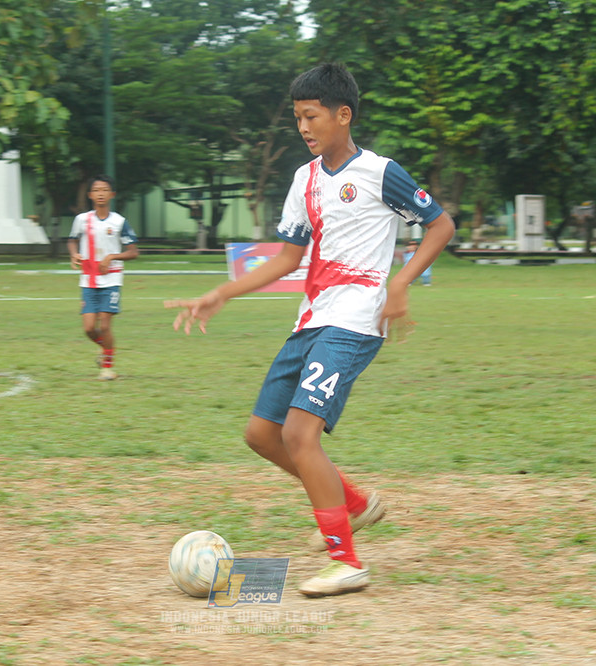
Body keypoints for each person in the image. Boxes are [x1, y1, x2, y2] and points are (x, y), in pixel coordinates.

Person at [167, 63, 455, 597]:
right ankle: (353, 502)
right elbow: (287, 259)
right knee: (261, 434)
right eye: (298, 118)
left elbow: (441, 224)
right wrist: (221, 293)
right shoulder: (303, 180)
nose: (303, 127)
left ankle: (347, 561)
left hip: (355, 320)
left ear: (342, 115)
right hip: (312, 318)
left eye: (311, 116)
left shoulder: (381, 172)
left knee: (300, 436)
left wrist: (401, 283)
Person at [67, 175, 139, 380]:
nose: (100, 193)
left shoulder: (119, 222)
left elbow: (133, 252)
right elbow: (72, 241)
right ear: (90, 195)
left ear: (112, 194)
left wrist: (112, 256)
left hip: (111, 280)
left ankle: (107, 368)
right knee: (89, 328)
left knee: (105, 326)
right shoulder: (82, 220)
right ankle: (107, 349)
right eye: (96, 190)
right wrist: (74, 254)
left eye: (105, 190)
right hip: (88, 280)